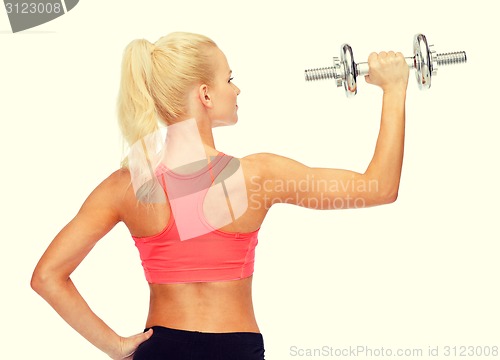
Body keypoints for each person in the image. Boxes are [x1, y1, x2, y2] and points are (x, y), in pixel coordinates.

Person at [31, 32, 409, 359]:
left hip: (160, 351)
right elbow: (379, 188)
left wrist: (115, 346)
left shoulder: (126, 185)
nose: (237, 88)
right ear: (205, 94)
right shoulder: (258, 175)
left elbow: (48, 276)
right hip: (234, 350)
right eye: (230, 78)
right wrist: (393, 89)